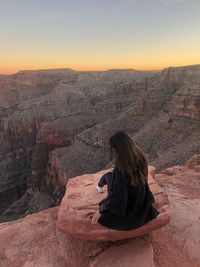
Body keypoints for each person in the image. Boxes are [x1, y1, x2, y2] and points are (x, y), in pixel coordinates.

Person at [91, 130, 159, 230]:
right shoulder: (142, 159)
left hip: (128, 215)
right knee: (110, 176)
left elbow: (119, 198)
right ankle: (101, 184)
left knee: (108, 176)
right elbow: (144, 184)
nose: (112, 151)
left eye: (113, 148)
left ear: (119, 149)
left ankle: (100, 185)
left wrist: (101, 210)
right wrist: (149, 198)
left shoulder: (120, 169)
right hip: (141, 208)